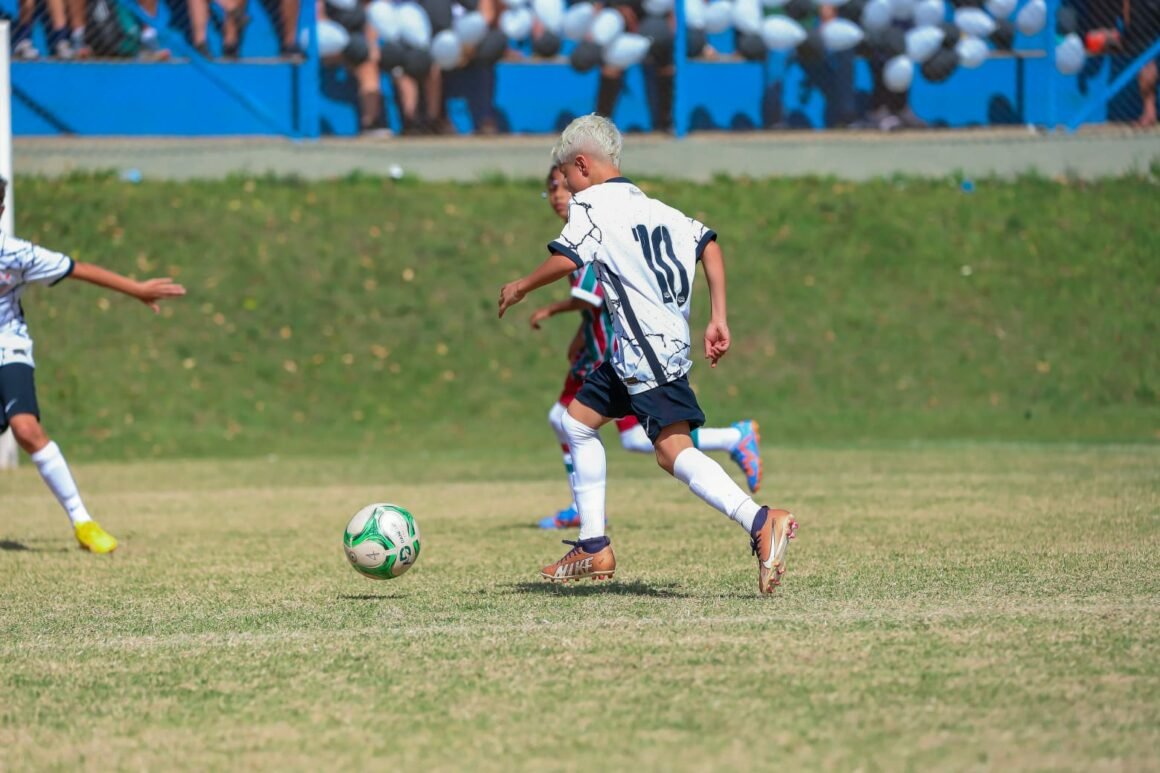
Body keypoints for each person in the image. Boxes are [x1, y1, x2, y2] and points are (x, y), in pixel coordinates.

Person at [498, 115, 797, 594]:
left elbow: (568, 258)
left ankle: (761, 520)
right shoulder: (654, 207)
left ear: (582, 166)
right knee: (577, 422)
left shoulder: (591, 205)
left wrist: (521, 286)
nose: (567, 188)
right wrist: (718, 317)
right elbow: (709, 245)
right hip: (645, 349)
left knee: (672, 451)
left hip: (646, 352)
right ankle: (593, 546)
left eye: (567, 176)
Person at [531, 164, 763, 529]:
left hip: (627, 353)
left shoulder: (590, 228)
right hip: (617, 351)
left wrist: (538, 299)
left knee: (653, 442)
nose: (559, 195)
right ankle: (590, 532)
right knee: (597, 429)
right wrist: (582, 333)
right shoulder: (594, 225)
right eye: (552, 189)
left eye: (564, 186)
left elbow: (592, 296)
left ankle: (754, 506)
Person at [0, 176, 186, 553]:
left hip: (8, 345)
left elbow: (77, 269)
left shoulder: (16, 254)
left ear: (0, 210)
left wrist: (137, 289)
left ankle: (82, 522)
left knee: (26, 429)